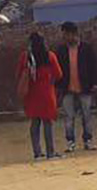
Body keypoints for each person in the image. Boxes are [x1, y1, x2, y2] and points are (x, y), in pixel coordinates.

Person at [17, 32, 63, 160]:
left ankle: (37, 153)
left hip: (32, 94)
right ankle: (50, 152)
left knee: (35, 122)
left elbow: (19, 74)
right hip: (47, 93)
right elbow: (58, 74)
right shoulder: (50, 56)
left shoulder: (25, 57)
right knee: (47, 123)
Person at [54, 21, 97, 152]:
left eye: (66, 34)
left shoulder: (86, 48)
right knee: (69, 117)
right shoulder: (61, 50)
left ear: (73, 34)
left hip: (85, 87)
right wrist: (58, 86)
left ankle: (88, 140)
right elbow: (57, 70)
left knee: (87, 116)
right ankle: (70, 142)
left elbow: (93, 66)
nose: (65, 37)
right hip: (67, 88)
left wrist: (95, 83)